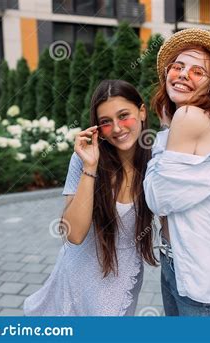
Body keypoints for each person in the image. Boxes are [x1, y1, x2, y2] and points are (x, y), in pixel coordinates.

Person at [23, 80, 157, 316]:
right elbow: (74, 234)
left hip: (123, 276)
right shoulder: (84, 160)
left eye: (124, 115)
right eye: (106, 122)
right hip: (77, 275)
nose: (117, 128)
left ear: (142, 111)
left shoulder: (157, 159)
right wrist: (90, 167)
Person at [144, 28, 210, 316]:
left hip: (195, 275)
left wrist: (164, 132)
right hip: (188, 265)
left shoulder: (189, 117)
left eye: (198, 71)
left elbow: (157, 197)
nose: (183, 74)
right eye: (177, 66)